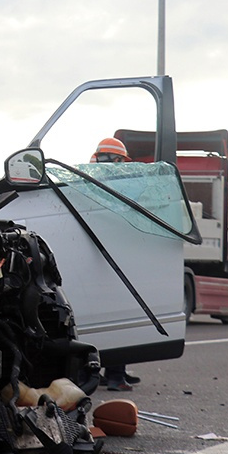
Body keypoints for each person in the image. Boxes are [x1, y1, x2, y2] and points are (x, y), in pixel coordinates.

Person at [91, 136, 141, 391]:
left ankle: (93, 372)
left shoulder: (86, 179)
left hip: (92, 258)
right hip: (115, 257)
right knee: (119, 315)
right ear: (118, 159)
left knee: (94, 317)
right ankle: (115, 376)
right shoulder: (120, 184)